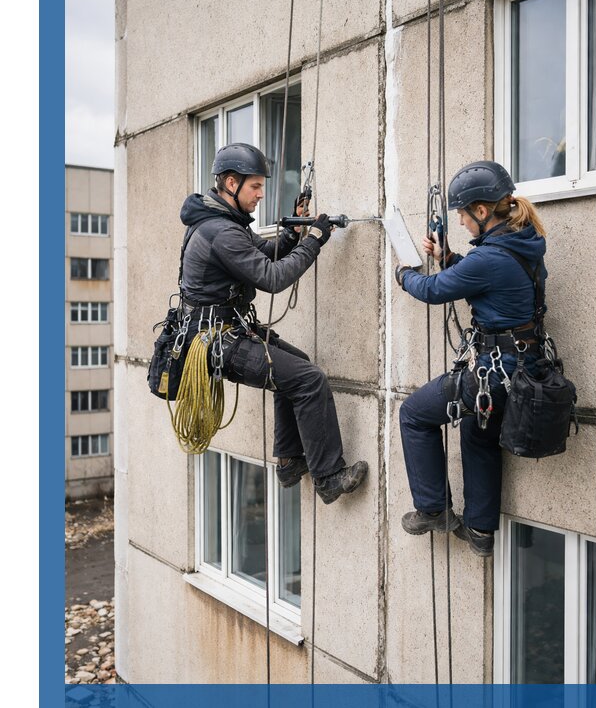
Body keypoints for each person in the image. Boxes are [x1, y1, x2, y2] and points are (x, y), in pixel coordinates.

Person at [178, 142, 368, 504]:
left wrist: (295, 233)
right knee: (309, 380)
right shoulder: (222, 231)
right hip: (216, 340)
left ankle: (289, 459)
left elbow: (263, 254)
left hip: (222, 331)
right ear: (231, 183)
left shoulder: (223, 222)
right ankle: (329, 477)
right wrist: (313, 241)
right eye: (255, 186)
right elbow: (273, 277)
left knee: (297, 366)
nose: (261, 194)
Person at [394, 161, 547, 556]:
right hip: (522, 369)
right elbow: (484, 282)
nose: (460, 221)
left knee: (414, 413)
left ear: (482, 211)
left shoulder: (490, 258)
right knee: (478, 436)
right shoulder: (520, 244)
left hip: (495, 372)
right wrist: (447, 257)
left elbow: (431, 290)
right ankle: (480, 532)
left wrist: (404, 273)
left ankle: (432, 509)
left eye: (462, 214)